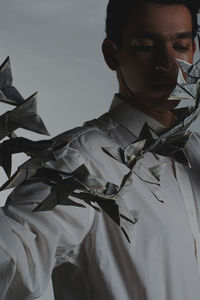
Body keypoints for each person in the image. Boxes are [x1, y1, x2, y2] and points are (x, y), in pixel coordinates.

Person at [1, 0, 200, 299]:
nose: (168, 63)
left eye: (180, 45)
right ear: (112, 54)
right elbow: (15, 258)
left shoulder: (196, 154)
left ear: (193, 51)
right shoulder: (75, 161)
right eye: (147, 45)